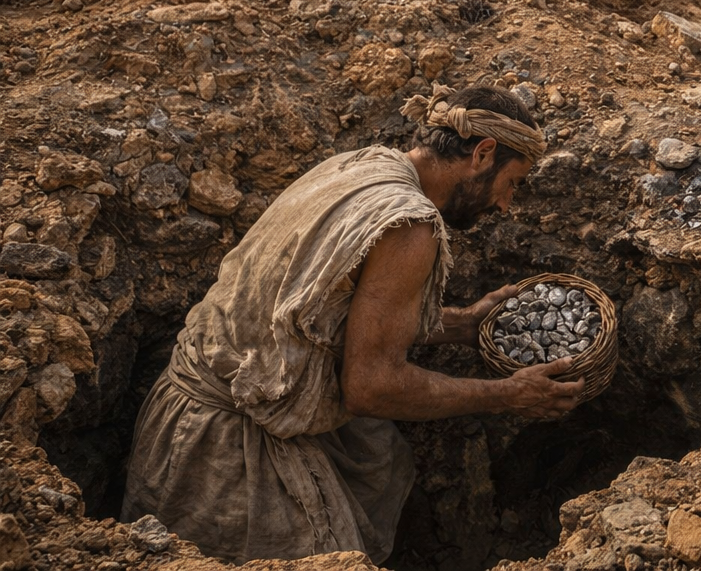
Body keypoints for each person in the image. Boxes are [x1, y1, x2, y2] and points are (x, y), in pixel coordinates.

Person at [121, 84, 582, 562]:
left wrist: (465, 324)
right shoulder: (410, 225)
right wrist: (509, 395)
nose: (505, 205)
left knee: (380, 458)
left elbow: (333, 313)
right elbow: (371, 388)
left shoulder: (363, 163)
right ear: (483, 153)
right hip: (225, 447)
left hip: (192, 402)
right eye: (513, 183)